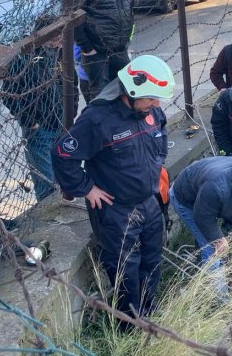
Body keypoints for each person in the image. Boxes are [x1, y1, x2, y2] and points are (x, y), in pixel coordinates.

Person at [52, 55, 173, 321]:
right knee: (125, 272)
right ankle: (129, 326)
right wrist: (87, 188)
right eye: (152, 98)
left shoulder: (151, 112)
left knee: (152, 262)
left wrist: (156, 164)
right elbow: (63, 154)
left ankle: (149, 316)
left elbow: (161, 134)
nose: (157, 104)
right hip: (116, 210)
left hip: (149, 202)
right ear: (132, 92)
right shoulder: (98, 119)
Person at [1, 18, 64, 202]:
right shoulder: (24, 57)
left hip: (59, 123)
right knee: (46, 181)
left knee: (63, 176)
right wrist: (30, 122)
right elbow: (9, 94)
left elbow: (70, 85)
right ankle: (48, 219)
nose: (60, 39)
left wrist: (70, 111)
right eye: (56, 35)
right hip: (39, 128)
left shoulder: (58, 54)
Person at [74, 0, 135, 102]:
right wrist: (87, 48)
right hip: (96, 52)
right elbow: (73, 18)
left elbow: (130, 7)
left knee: (127, 94)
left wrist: (126, 38)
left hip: (120, 48)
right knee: (101, 99)